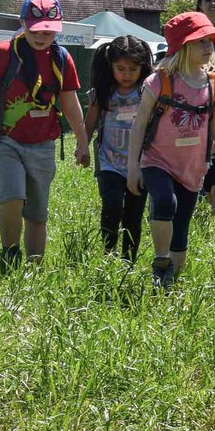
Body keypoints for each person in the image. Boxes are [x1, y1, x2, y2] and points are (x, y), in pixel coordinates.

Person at [0, 0, 90, 270]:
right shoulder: (2, 54)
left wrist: (83, 143)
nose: (41, 36)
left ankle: (34, 268)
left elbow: (71, 103)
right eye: (35, 29)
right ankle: (9, 254)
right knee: (12, 197)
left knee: (37, 212)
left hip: (43, 144)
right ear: (23, 24)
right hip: (6, 141)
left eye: (48, 30)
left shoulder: (61, 58)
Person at [128, 12, 215, 291]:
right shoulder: (160, 81)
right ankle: (160, 262)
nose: (208, 47)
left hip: (193, 168)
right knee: (166, 203)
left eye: (210, 42)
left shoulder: (214, 85)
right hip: (157, 160)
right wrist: (133, 167)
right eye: (200, 42)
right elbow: (140, 123)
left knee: (182, 227)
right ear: (182, 46)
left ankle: (169, 284)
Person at [85, 34, 152, 261]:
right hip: (109, 161)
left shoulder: (147, 91)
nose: (126, 74)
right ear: (110, 66)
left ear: (142, 67)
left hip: (140, 163)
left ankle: (128, 260)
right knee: (112, 206)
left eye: (132, 69)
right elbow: (91, 120)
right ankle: (108, 252)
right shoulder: (104, 91)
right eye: (121, 68)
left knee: (134, 215)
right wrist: (82, 146)